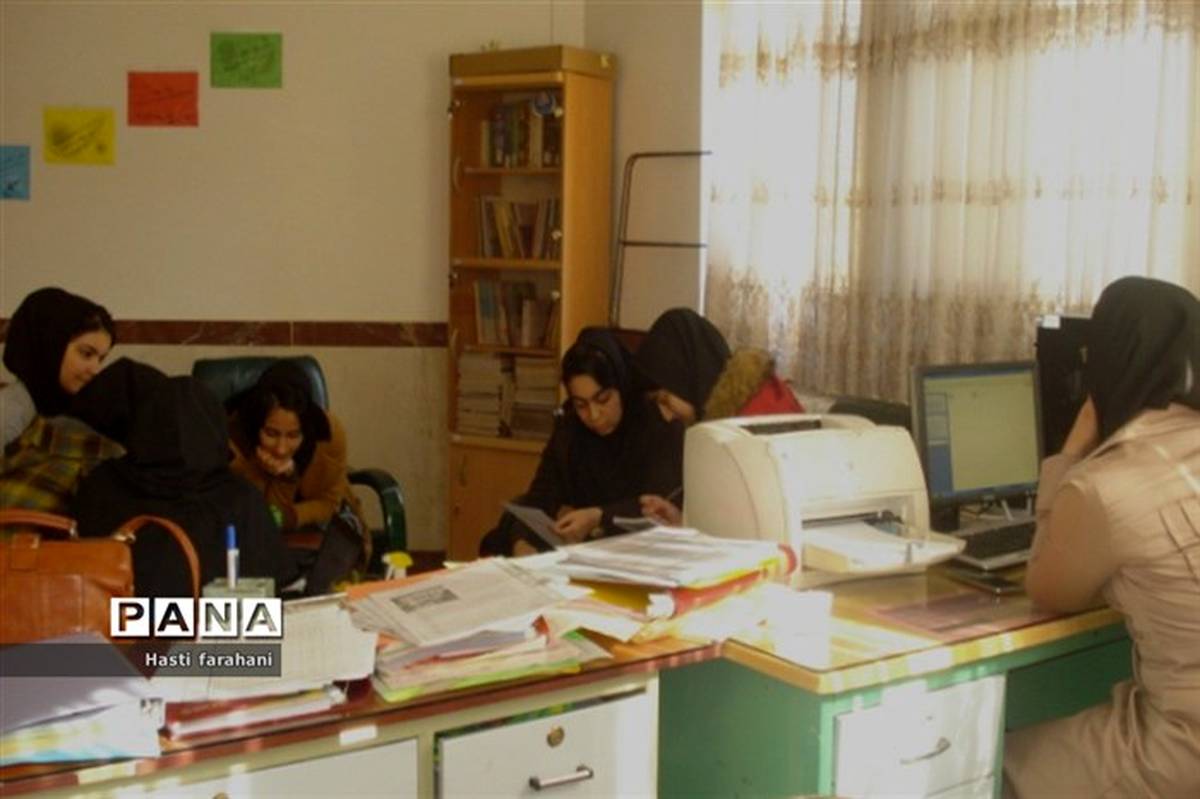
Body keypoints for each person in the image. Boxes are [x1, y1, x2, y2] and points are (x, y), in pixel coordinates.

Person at [1003, 276, 1200, 798]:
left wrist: (1069, 455)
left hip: (1182, 752)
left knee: (999, 760)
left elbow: (1048, 590)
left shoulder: (1104, 484)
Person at [72, 365, 293, 598]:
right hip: (220, 619)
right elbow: (279, 593)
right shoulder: (241, 499)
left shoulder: (101, 486)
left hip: (117, 618)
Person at [479, 327, 685, 556]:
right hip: (573, 551)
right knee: (500, 537)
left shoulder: (656, 422)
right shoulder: (571, 428)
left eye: (603, 399)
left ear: (621, 385)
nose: (593, 415)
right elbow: (540, 496)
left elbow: (661, 505)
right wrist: (522, 543)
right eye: (581, 405)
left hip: (635, 552)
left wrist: (599, 516)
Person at [633, 307, 804, 524]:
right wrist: (681, 521)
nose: (666, 416)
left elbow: (764, 522)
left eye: (665, 400)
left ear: (687, 377)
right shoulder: (721, 414)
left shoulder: (757, 416)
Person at [227, 361, 367, 594]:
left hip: (318, 529)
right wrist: (271, 475)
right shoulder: (234, 440)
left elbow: (329, 503)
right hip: (252, 539)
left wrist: (289, 513)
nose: (281, 449)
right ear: (256, 425)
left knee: (330, 584)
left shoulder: (329, 434)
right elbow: (254, 516)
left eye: (293, 435)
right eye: (271, 433)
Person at [0, 287, 120, 511]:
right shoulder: (10, 410)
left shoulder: (83, 411)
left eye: (101, 359)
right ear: (50, 344)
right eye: (86, 353)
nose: (95, 369)